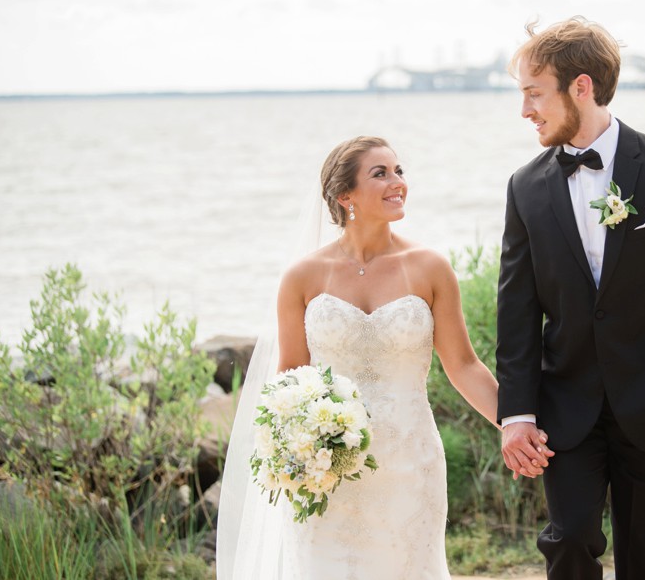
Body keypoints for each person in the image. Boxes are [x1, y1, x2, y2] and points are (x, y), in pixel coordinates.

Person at [216, 136, 552, 579]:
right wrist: (292, 454)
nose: (398, 182)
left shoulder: (429, 267)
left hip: (410, 465)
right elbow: (291, 379)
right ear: (344, 196)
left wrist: (515, 425)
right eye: (381, 173)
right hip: (327, 471)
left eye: (399, 171)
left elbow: (464, 366)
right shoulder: (302, 277)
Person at [496, 17, 645, 580]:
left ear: (580, 87)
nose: (525, 110)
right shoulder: (525, 187)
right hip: (565, 409)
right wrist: (517, 412)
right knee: (570, 542)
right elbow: (515, 309)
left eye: (534, 94)